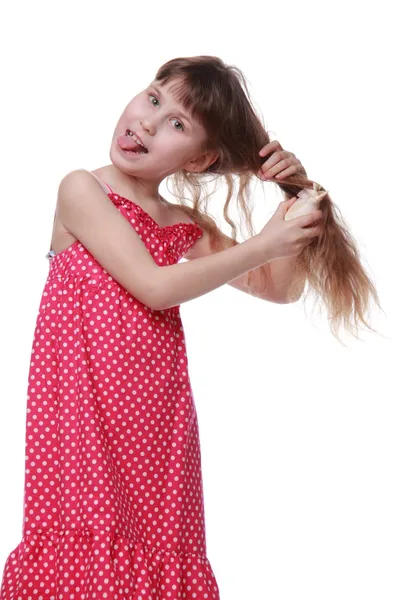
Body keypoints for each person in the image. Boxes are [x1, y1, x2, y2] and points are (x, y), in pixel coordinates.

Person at [0, 55, 380, 600]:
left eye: (177, 123)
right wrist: (262, 244)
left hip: (158, 424)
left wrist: (293, 201)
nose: (148, 121)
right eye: (153, 98)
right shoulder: (82, 189)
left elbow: (278, 287)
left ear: (200, 160)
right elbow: (154, 285)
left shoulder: (183, 224)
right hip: (84, 416)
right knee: (86, 548)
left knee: (158, 550)